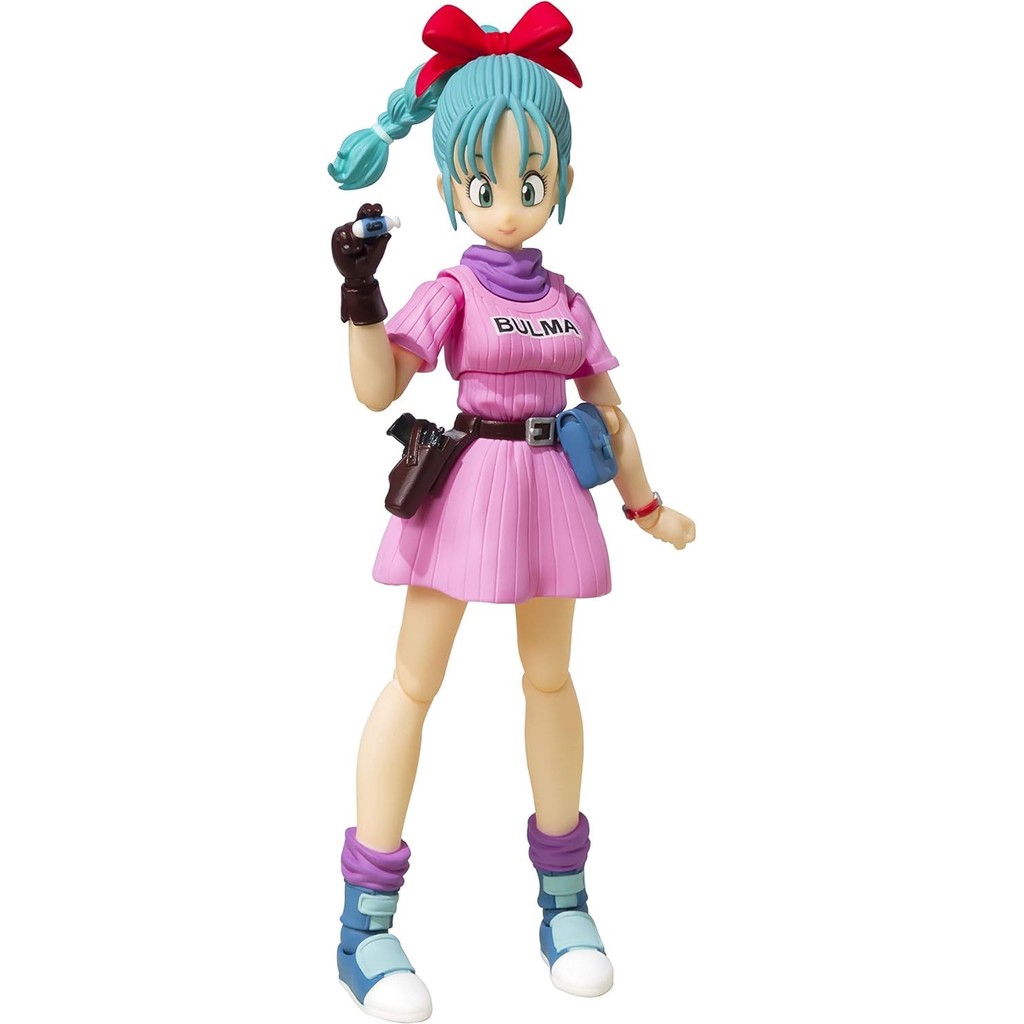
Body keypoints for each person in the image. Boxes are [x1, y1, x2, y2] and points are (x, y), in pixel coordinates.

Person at [328, 5, 695, 1020]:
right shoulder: (449, 289)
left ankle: (565, 901)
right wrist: (359, 297)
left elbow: (608, 412)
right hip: (464, 492)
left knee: (550, 680)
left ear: (558, 179)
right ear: (454, 184)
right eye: (484, 184)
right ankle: (364, 920)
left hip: (547, 496)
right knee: (414, 682)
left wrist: (647, 505)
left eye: (528, 182)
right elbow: (377, 386)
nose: (505, 205)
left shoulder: (568, 301)